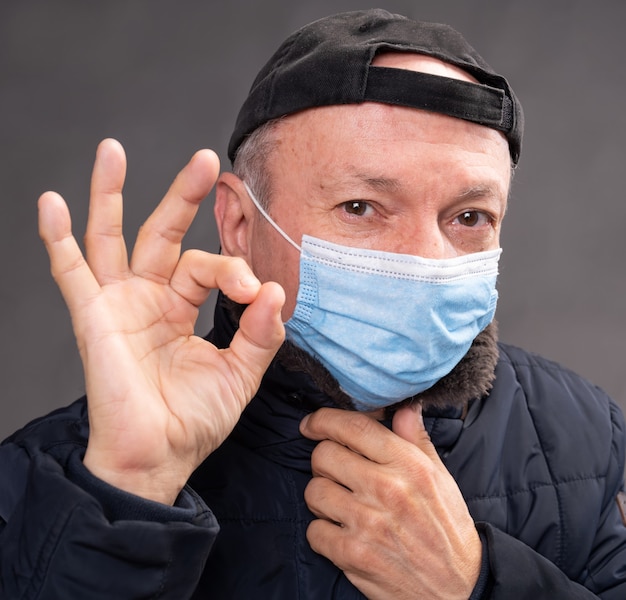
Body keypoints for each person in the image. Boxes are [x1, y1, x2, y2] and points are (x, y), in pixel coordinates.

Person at [1, 8, 625, 599]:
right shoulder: (54, 475)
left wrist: (478, 583)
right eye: (360, 207)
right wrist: (123, 496)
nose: (427, 258)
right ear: (241, 224)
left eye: (469, 216)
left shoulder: (587, 443)